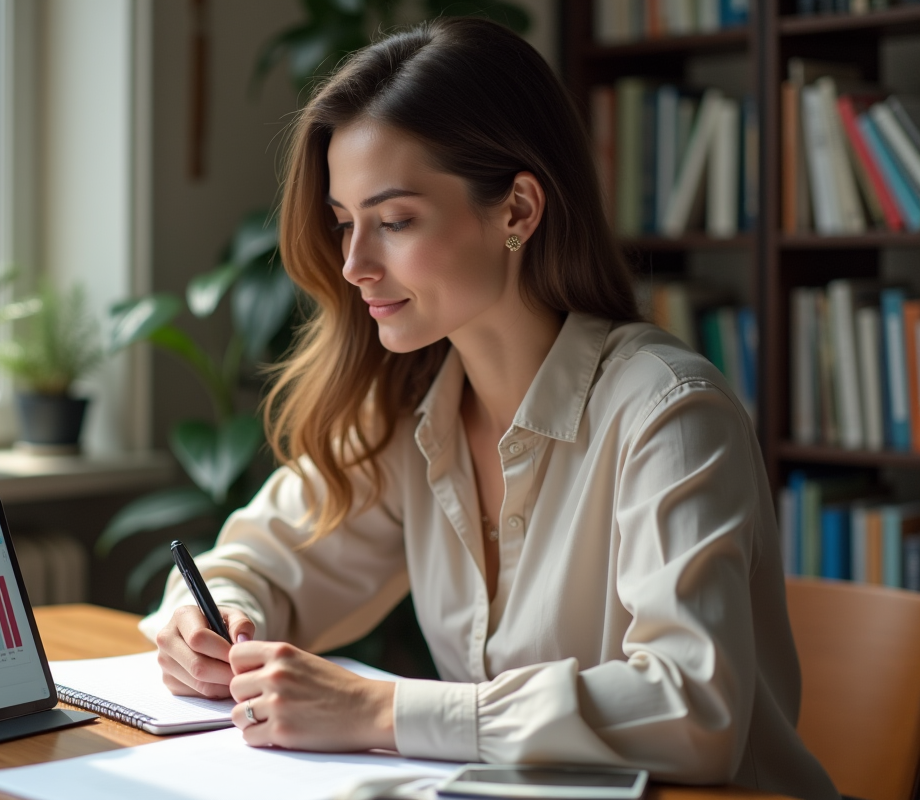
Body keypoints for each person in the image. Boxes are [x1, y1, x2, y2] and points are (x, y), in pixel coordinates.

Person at [139, 17, 837, 800]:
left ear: (518, 211)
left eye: (394, 221)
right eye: (343, 224)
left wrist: (380, 710)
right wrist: (213, 622)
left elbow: (692, 708)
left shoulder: (669, 415)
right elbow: (259, 563)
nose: (354, 264)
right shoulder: (408, 411)